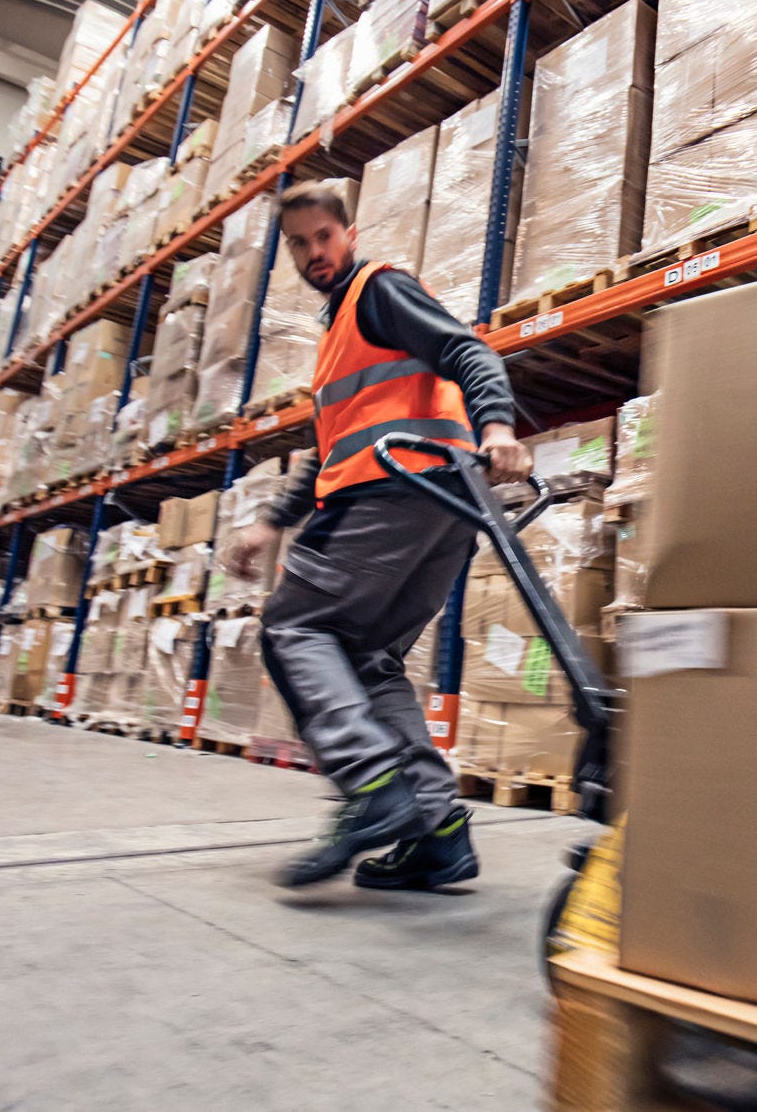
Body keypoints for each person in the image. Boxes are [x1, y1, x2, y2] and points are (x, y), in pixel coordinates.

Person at [221, 178, 531, 889]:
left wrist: (498, 423)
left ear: (348, 234)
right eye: (298, 244)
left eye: (323, 238)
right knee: (366, 659)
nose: (313, 253)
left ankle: (370, 788)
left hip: (394, 491)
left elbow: (469, 351)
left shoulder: (378, 292)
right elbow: (329, 451)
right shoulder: (338, 341)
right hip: (440, 503)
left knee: (292, 625)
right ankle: (436, 830)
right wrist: (272, 521)